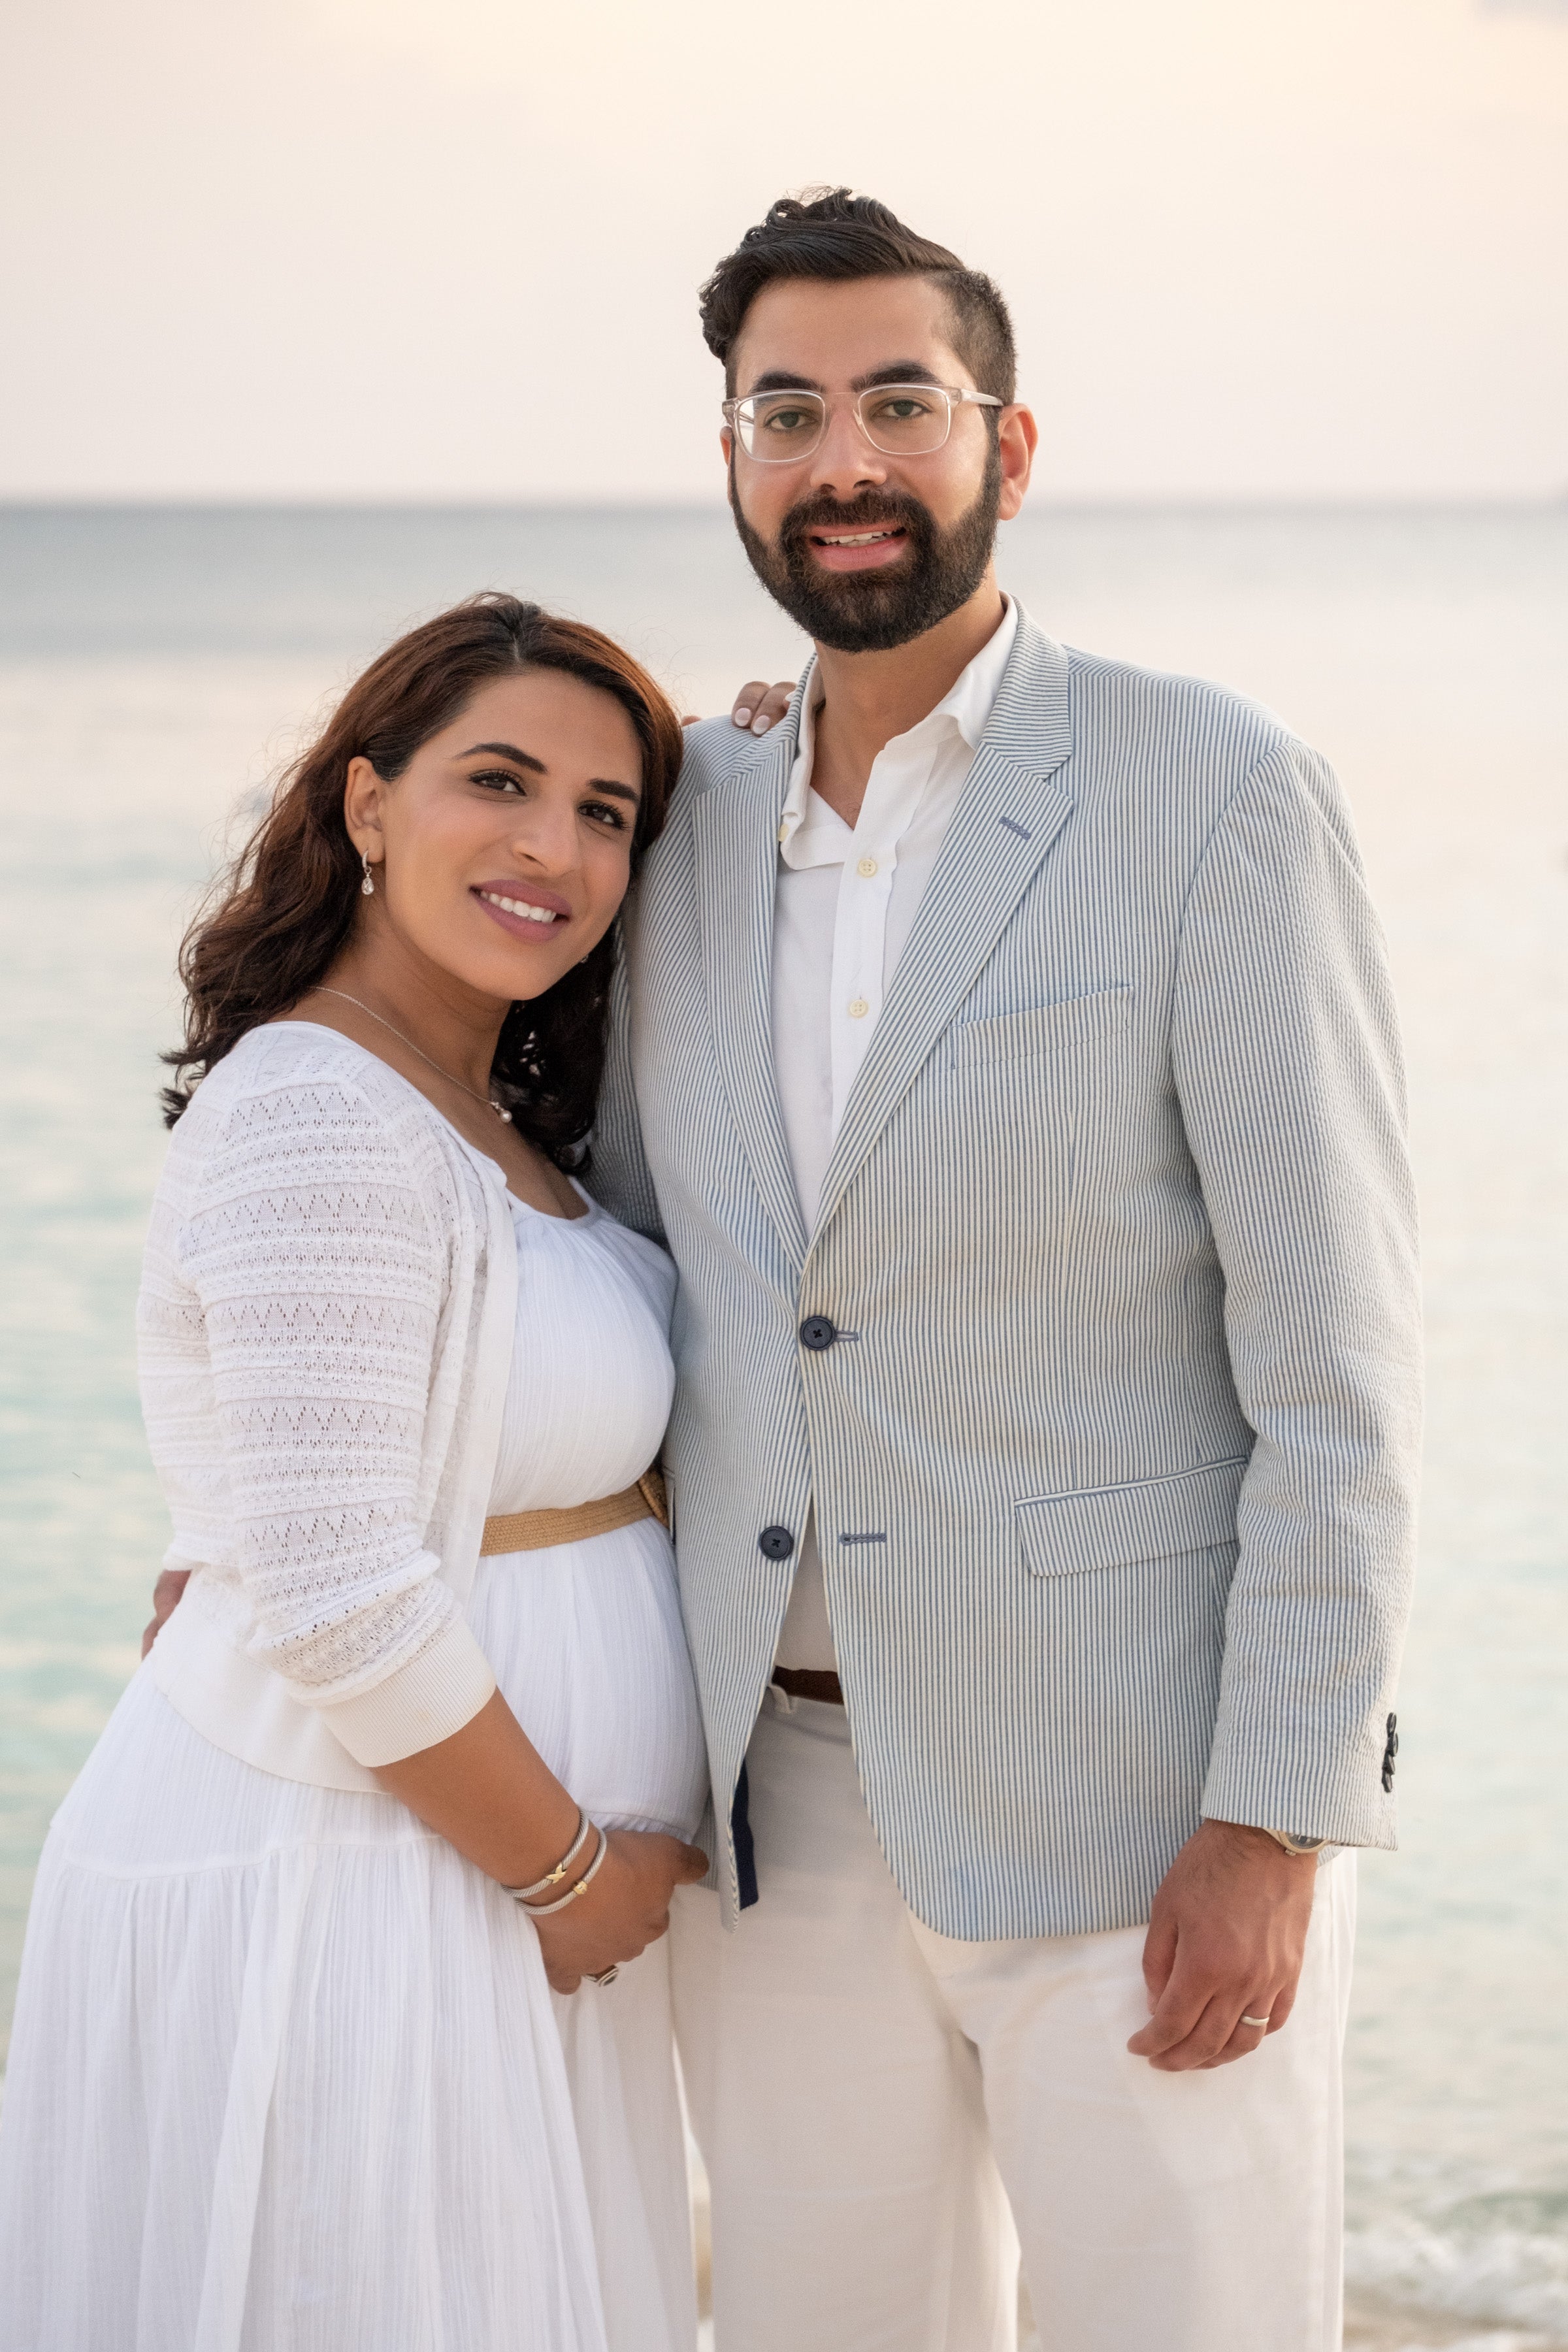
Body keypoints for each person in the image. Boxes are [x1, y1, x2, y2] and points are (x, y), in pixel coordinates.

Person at [582, 191, 1423, 2349]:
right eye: (789, 413)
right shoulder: (673, 817)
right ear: (736, 466)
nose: (842, 458)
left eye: (898, 403)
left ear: (1008, 448)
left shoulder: (1214, 789)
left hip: (1135, 1804)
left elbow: (1336, 1364)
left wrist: (1276, 1814)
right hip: (771, 1820)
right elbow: (597, 1258)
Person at [0, 596, 711, 2352]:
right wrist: (567, 1878)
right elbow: (333, 1583)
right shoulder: (317, 1106)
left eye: (608, 812)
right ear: (368, 804)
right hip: (365, 1884)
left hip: (469, 1892)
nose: (554, 845)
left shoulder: (490, 1115)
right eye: (501, 780)